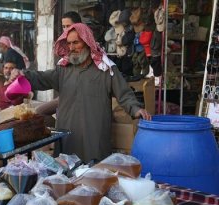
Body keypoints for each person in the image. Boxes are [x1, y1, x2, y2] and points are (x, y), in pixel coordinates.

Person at [10, 23, 151, 163]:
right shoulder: (63, 69)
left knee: (94, 176)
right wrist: (23, 74)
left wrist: (136, 109)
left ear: (87, 42)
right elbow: (42, 78)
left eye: (76, 43)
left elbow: (124, 94)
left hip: (94, 137)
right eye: (69, 43)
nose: (71, 48)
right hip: (67, 136)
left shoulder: (106, 69)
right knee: (66, 175)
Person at [35, 11, 82, 127]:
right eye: (64, 27)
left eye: (69, 26)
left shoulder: (85, 46)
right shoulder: (64, 48)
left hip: (81, 96)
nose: (65, 30)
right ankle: (58, 129)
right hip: (66, 95)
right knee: (38, 113)